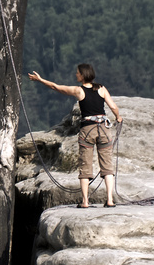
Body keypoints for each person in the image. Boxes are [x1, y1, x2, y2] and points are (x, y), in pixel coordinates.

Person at [28, 64, 121, 208]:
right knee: (107, 165)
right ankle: (109, 200)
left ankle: (85, 201)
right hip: (103, 128)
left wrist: (40, 80)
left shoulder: (79, 91)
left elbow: (56, 87)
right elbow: (113, 106)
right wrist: (118, 117)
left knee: (85, 165)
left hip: (87, 130)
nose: (76, 75)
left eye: (77, 73)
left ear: (83, 75)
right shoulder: (101, 89)